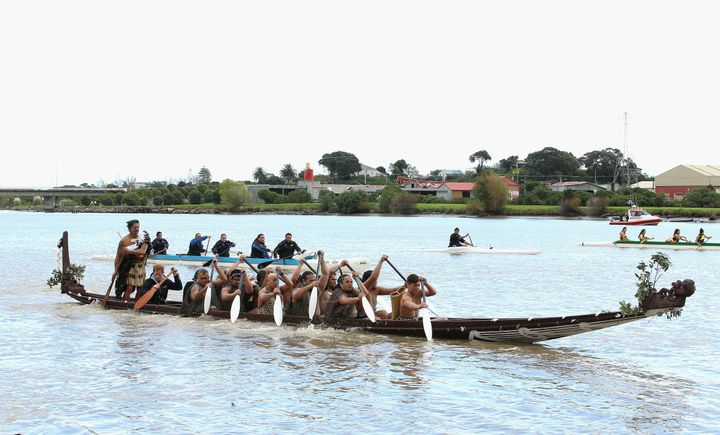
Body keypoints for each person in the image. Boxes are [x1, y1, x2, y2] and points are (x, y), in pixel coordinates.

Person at [114, 219, 150, 301]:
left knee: (140, 289)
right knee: (129, 288)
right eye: (135, 227)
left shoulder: (143, 238)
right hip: (129, 267)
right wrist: (116, 271)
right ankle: (125, 304)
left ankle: (136, 306)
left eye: (138, 227)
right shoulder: (124, 241)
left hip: (141, 266)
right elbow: (118, 256)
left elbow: (142, 252)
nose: (137, 229)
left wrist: (129, 251)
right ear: (129, 228)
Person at [358, 255, 404, 319]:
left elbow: (392, 291)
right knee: (379, 317)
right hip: (362, 317)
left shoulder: (377, 289)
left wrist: (405, 286)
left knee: (386, 313)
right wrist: (381, 261)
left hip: (373, 314)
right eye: (375, 281)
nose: (376, 281)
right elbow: (373, 277)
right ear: (369, 281)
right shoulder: (362, 287)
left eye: (376, 280)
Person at [286, 252, 329, 317]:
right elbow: (295, 296)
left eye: (314, 280)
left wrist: (322, 258)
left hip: (315, 320)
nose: (314, 282)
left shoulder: (318, 289)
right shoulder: (297, 290)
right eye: (311, 281)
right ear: (303, 281)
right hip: (300, 321)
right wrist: (310, 286)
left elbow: (325, 274)